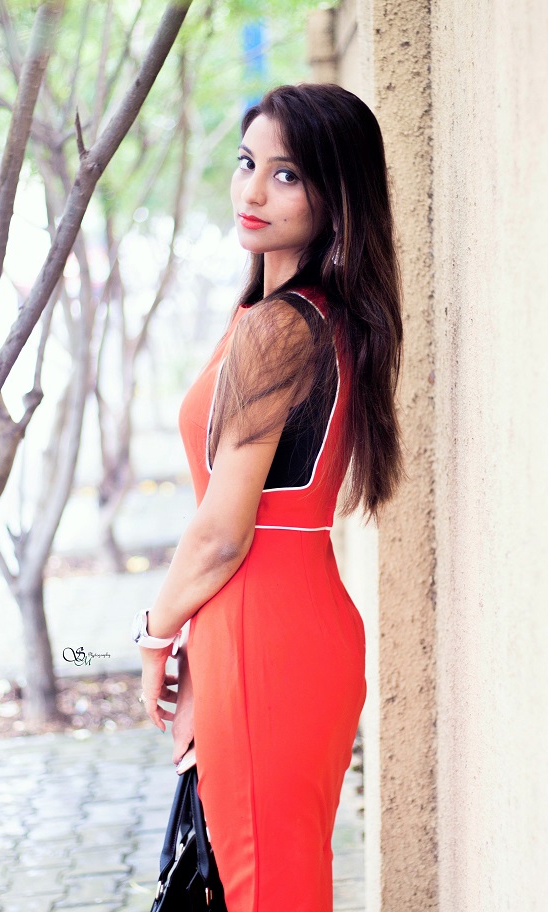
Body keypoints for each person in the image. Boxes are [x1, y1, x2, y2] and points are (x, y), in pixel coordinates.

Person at [132, 83, 404, 912]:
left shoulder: (279, 328)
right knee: (280, 879)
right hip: (286, 622)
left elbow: (222, 532)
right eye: (248, 163)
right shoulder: (312, 315)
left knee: (269, 891)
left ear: (334, 195)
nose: (253, 190)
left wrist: (154, 636)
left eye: (287, 175)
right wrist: (198, 655)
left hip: (261, 632)